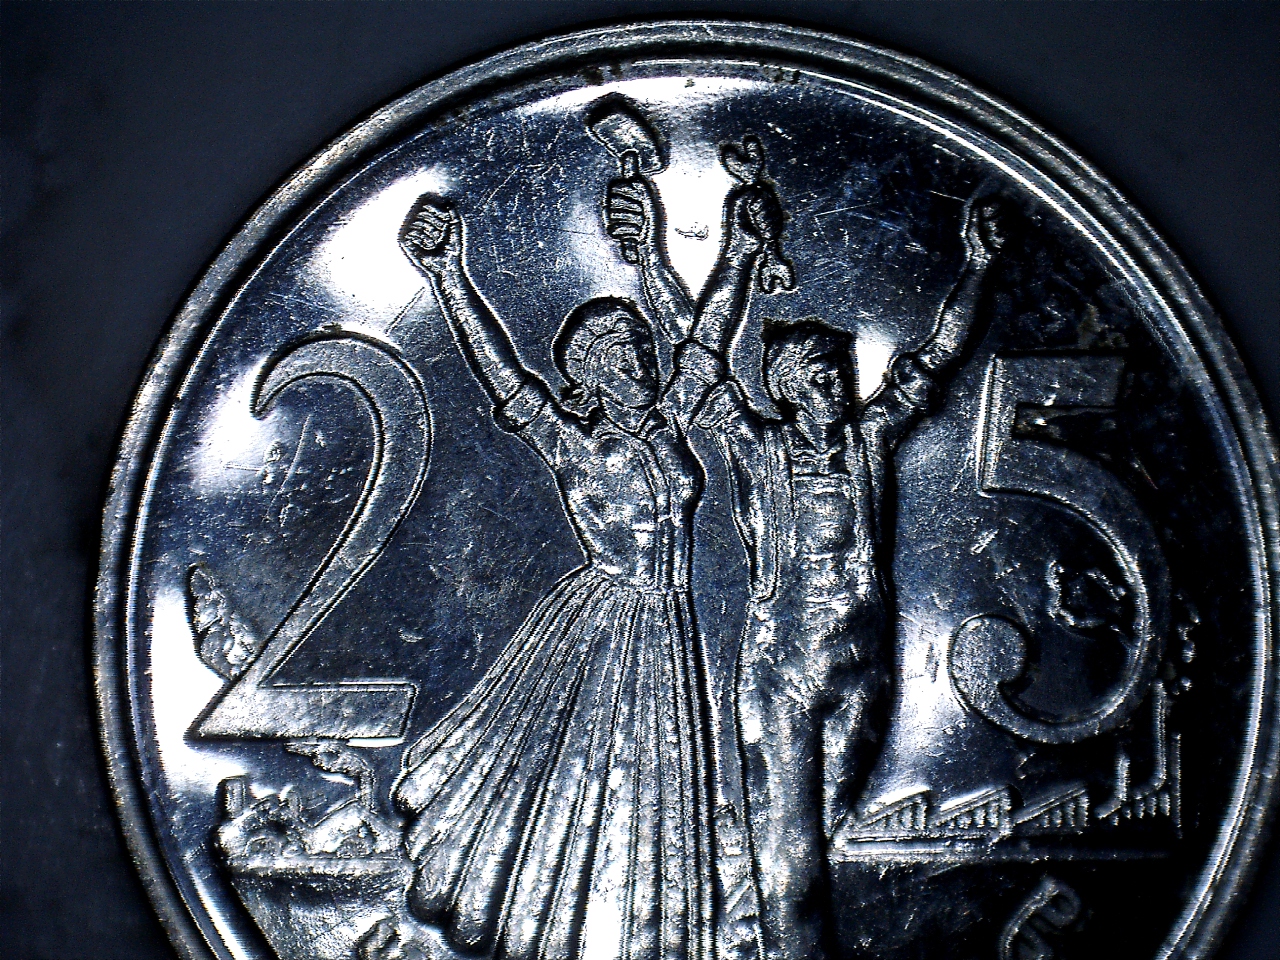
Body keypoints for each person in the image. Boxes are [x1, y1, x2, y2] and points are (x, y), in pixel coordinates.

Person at [608, 140, 1004, 960]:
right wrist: (652, 256)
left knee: (814, 846)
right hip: (781, 670)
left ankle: (740, 935)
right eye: (818, 375)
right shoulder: (758, 449)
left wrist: (977, 266)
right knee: (792, 867)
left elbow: (939, 356)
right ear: (786, 389)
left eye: (838, 372)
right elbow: (694, 355)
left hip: (863, 667)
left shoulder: (871, 440)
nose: (835, 385)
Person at [392, 195, 715, 960]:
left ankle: (652, 933)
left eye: (642, 351)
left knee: (659, 782)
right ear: (590, 380)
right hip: (610, 620)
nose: (641, 366)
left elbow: (708, 339)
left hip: (671, 621)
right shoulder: (574, 445)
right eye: (621, 359)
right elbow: (503, 376)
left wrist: (734, 249)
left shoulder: (670, 424)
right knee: (581, 775)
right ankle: (552, 922)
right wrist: (448, 276)